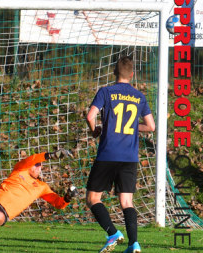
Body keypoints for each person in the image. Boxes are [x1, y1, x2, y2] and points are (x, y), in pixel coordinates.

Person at [85, 55, 154, 253]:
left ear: (114, 72)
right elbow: (151, 126)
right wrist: (132, 127)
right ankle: (134, 244)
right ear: (132, 75)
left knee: (93, 199)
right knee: (126, 202)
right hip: (129, 157)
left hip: (108, 154)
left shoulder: (106, 91)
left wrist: (94, 130)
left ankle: (113, 233)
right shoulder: (139, 96)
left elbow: (91, 116)